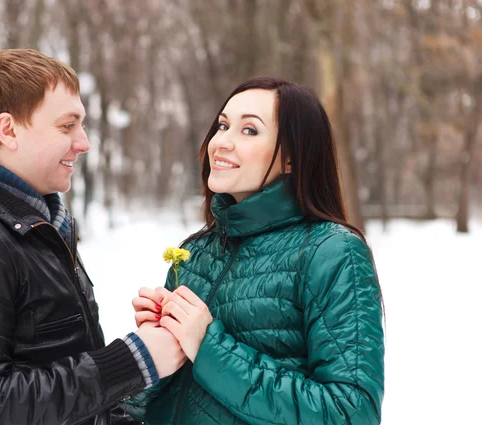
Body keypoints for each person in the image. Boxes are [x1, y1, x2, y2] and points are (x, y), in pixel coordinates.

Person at [0, 49, 186, 425]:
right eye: (67, 126)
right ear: (8, 130)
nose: (84, 143)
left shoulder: (36, 221)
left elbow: (55, 361)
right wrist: (130, 363)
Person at [127, 77, 385, 425]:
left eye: (249, 130)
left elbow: (351, 412)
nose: (222, 142)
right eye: (223, 125)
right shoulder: (195, 252)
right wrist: (153, 351)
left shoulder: (332, 252)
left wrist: (208, 347)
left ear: (292, 158)